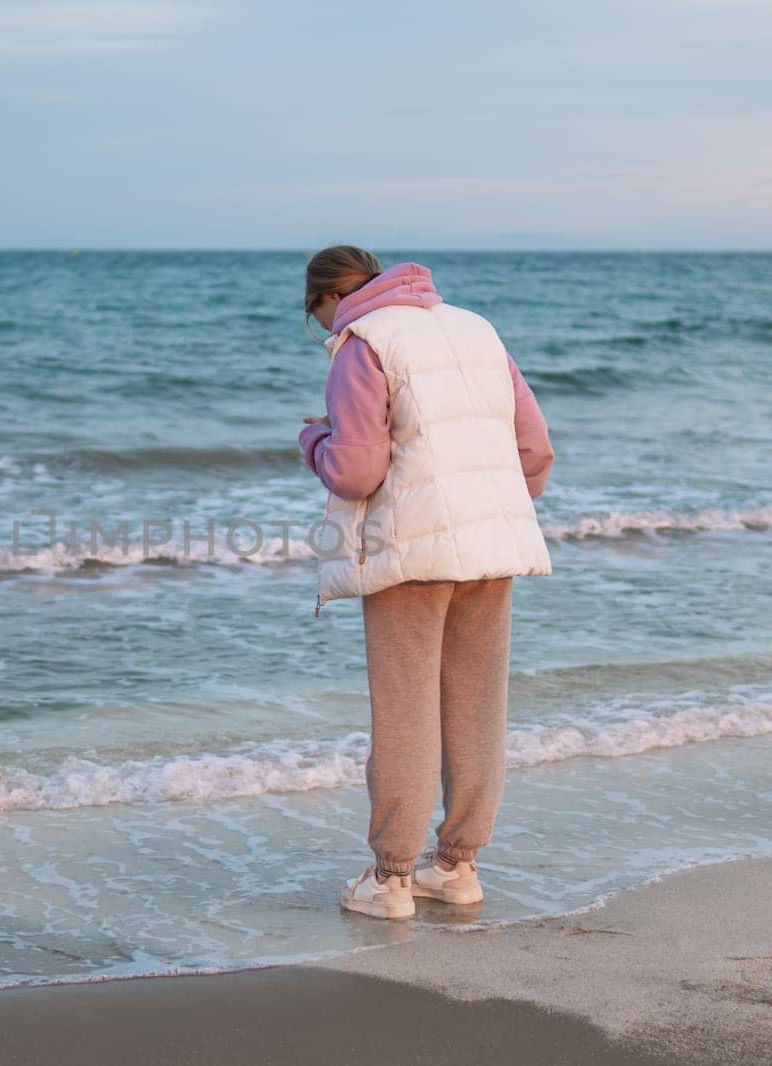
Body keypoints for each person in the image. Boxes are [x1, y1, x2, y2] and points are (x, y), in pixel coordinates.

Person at [297, 245, 556, 920]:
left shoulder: (363, 341)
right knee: (476, 706)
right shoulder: (478, 329)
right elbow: (534, 451)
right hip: (491, 546)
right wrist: (486, 510)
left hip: (410, 552)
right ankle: (459, 867)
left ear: (325, 301)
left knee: (405, 710)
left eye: (317, 319)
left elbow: (355, 471)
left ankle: (389, 882)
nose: (325, 332)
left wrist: (313, 443)